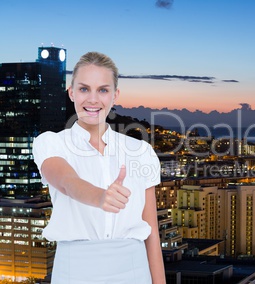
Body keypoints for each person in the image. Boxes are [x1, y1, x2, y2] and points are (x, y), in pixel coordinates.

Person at [33, 51, 166, 284]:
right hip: (74, 273)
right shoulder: (51, 142)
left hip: (135, 273)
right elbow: (66, 181)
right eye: (84, 89)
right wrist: (100, 196)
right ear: (71, 92)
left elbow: (151, 232)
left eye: (103, 90)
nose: (93, 99)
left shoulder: (142, 152)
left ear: (115, 95)